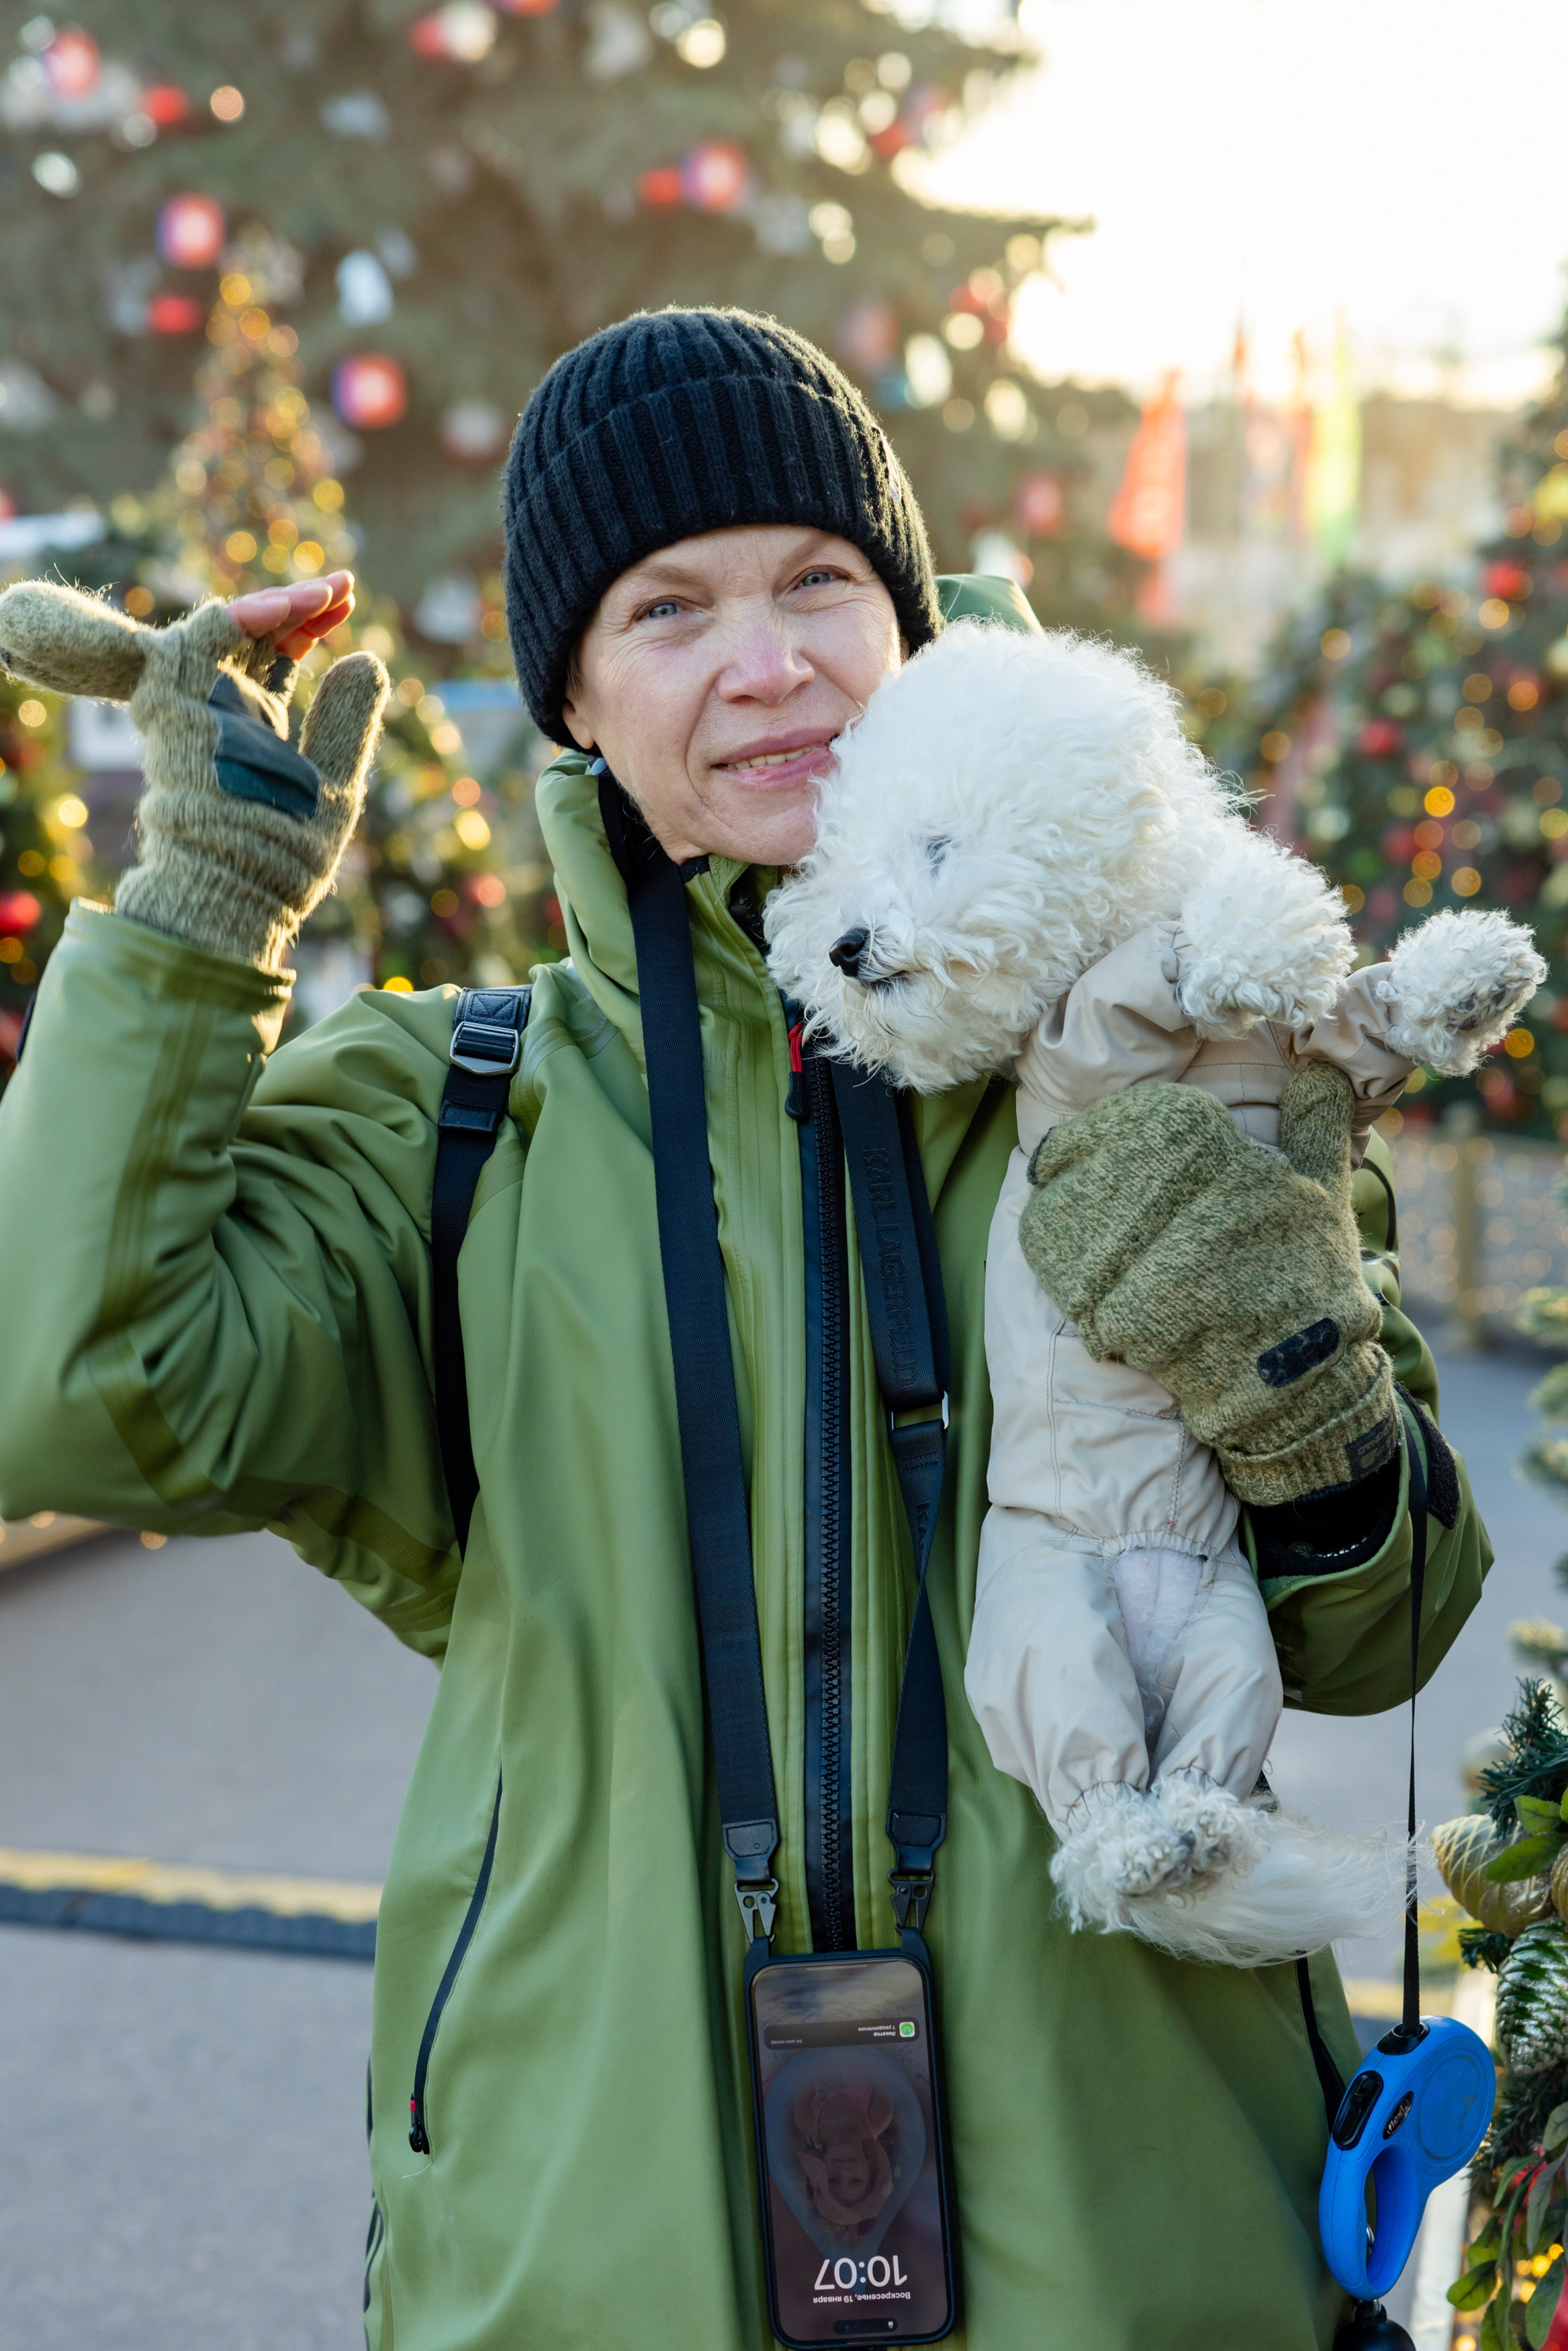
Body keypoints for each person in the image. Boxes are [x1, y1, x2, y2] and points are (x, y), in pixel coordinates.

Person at [0, 308, 1490, 2350]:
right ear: (579, 698)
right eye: (670, 606)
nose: (768, 659)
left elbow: (1380, 1624)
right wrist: (196, 922)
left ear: (914, 623)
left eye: (820, 583)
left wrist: (1293, 1379)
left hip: (1133, 2249)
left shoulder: (1162, 1056)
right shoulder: (452, 1122)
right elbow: (64, 1394)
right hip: (590, 2243)